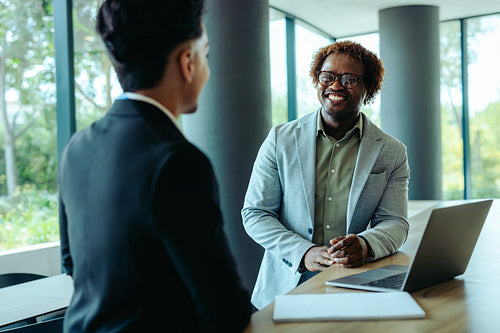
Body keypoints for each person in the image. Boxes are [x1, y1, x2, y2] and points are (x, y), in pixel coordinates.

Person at [58, 0, 251, 331]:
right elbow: (224, 310)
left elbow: (72, 264)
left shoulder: (76, 147)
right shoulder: (178, 161)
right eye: (206, 53)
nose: (208, 67)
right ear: (187, 62)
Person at [242, 40, 410, 309]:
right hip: (284, 289)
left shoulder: (391, 151)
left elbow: (395, 222)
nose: (336, 85)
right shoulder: (279, 139)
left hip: (352, 286)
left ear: (369, 88)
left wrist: (366, 245)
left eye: (349, 79)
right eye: (327, 76)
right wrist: (303, 252)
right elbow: (255, 213)